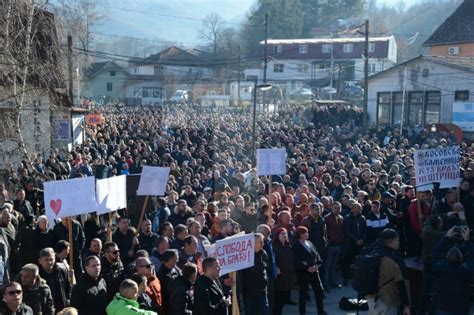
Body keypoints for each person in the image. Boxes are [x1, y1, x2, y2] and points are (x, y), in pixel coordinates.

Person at [432, 226, 474, 315]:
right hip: (460, 309)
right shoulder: (466, 271)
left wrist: (446, 237)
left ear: (447, 257)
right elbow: (472, 257)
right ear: (461, 258)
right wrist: (467, 240)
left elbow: (436, 253)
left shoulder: (441, 268)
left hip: (443, 307)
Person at [367, 229, 410, 315]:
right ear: (392, 241)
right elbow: (402, 284)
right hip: (387, 300)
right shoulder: (394, 260)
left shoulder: (373, 252)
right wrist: (406, 305)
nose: (399, 242)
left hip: (371, 298)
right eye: (398, 240)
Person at [293, 226, 326, 315]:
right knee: (303, 294)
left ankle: (321, 311)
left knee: (318, 292)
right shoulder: (296, 246)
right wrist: (307, 267)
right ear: (300, 235)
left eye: (307, 232)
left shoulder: (309, 243)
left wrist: (318, 264)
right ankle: (302, 312)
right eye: (305, 233)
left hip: (314, 271)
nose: (307, 234)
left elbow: (317, 255)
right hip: (303, 273)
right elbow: (296, 261)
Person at [242, 233, 269, 315]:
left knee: (264, 311)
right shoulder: (246, 255)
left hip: (262, 290)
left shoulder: (263, 253)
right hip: (250, 291)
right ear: (253, 243)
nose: (263, 244)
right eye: (260, 242)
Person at [38, 247, 71, 313]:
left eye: (51, 259)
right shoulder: (37, 274)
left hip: (62, 307)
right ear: (40, 261)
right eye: (46, 260)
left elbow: (68, 288)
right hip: (47, 309)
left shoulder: (62, 270)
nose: (49, 262)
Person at [272, 228, 296, 315]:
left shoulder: (288, 246)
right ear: (278, 236)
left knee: (284, 297)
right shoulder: (274, 246)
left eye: (285, 234)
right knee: (278, 299)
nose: (284, 235)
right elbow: (272, 260)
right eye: (282, 234)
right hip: (279, 277)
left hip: (288, 275)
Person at [157, 249, 181, 315]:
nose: (177, 260)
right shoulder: (163, 274)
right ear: (170, 260)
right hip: (170, 305)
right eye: (176, 258)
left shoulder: (174, 268)